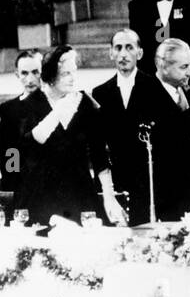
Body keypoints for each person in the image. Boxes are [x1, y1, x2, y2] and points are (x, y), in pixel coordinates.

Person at [93, 37, 190, 224]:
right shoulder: (143, 92)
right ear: (162, 65)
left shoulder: (187, 92)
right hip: (163, 195)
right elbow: (165, 136)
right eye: (183, 67)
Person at [13, 46, 121, 226]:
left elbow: (99, 155)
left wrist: (109, 197)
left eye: (74, 72)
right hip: (41, 195)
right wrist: (58, 112)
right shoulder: (30, 104)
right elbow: (25, 146)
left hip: (79, 193)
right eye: (65, 73)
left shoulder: (84, 102)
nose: (73, 78)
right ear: (50, 75)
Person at [0, 49, 43, 197]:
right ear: (17, 74)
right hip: (24, 184)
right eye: (24, 73)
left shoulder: (55, 104)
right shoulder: (9, 109)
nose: (30, 79)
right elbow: (10, 151)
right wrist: (13, 184)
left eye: (35, 72)